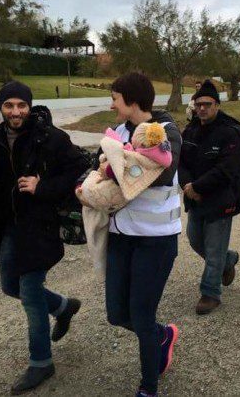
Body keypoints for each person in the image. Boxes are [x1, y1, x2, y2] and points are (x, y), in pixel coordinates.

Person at [0, 81, 90, 394]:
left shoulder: (50, 137)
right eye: (9, 106)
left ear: (29, 106)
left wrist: (42, 185)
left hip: (41, 227)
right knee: (10, 286)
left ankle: (41, 362)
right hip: (7, 226)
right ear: (1, 108)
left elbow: (81, 167)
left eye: (21, 105)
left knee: (30, 293)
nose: (16, 112)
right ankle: (63, 307)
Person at [86, 72, 182, 397]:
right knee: (116, 314)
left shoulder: (165, 131)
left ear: (132, 101)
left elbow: (161, 174)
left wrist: (115, 164)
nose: (112, 104)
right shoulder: (120, 132)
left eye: (115, 98)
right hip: (121, 236)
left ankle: (148, 387)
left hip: (156, 240)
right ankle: (161, 335)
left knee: (140, 316)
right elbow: (100, 163)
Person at [179, 80, 240, 315]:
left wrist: (198, 186)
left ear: (217, 105)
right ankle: (227, 260)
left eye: (207, 104)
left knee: (214, 244)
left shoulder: (230, 132)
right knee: (195, 239)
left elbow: (227, 168)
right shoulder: (190, 130)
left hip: (221, 199)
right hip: (195, 198)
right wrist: (188, 186)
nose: (202, 109)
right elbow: (181, 162)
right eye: (198, 104)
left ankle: (210, 292)